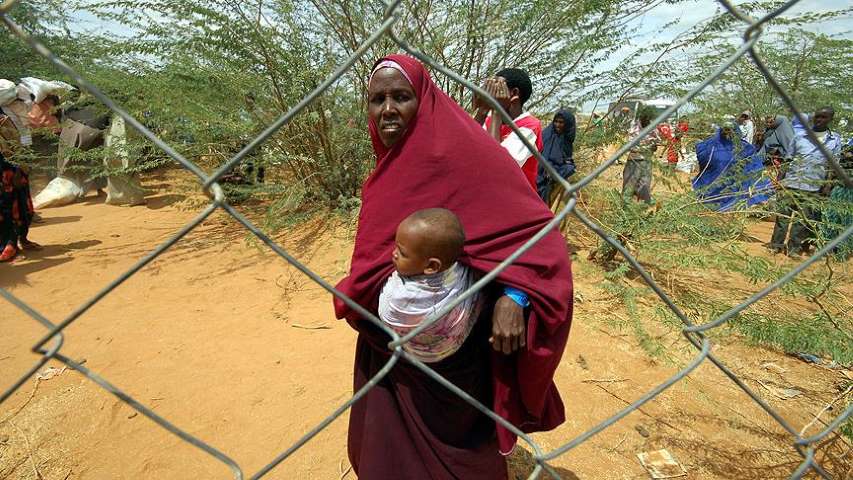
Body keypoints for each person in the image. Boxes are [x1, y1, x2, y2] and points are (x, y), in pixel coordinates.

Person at [335, 54, 572, 479]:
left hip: (462, 353)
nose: (387, 109)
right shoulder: (386, 173)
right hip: (391, 349)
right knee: (392, 450)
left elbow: (538, 239)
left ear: (423, 98)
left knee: (461, 456)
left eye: (401, 97)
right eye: (377, 100)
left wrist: (514, 296)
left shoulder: (471, 157)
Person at [379, 208, 482, 363]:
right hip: (457, 346)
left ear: (432, 266)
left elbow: (385, 313)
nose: (393, 253)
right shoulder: (464, 272)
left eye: (402, 253)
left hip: (417, 356)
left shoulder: (398, 297)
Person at [769, 107, 843, 256]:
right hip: (791, 182)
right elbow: (787, 160)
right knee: (783, 217)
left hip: (813, 186)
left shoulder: (835, 140)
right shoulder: (800, 136)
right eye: (817, 117)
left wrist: (827, 187)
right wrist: (780, 181)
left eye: (823, 117)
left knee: (802, 221)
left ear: (830, 119)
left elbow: (833, 167)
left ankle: (793, 249)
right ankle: (776, 245)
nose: (819, 120)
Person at [473, 68, 542, 190]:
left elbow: (496, 165)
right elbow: (465, 147)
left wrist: (496, 110)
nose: (489, 93)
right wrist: (482, 111)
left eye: (496, 89)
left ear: (514, 93)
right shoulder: (489, 120)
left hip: (515, 199)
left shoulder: (530, 127)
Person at [693, 122, 771, 211]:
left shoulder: (745, 148)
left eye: (730, 130)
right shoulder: (712, 146)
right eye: (726, 130)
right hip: (719, 190)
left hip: (724, 190)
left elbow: (754, 168)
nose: (728, 133)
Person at [817, 138, 853, 260]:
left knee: (847, 222)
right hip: (838, 188)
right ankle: (825, 249)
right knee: (831, 218)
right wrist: (827, 186)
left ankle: (842, 253)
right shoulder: (847, 145)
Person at [536, 108, 576, 203]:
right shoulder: (547, 135)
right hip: (541, 173)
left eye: (561, 122)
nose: (557, 125)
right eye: (556, 121)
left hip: (555, 172)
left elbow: (565, 156)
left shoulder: (566, 139)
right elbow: (544, 155)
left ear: (567, 124)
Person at [622, 107, 659, 204]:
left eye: (650, 119)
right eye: (646, 118)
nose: (648, 121)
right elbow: (630, 145)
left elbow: (656, 142)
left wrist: (654, 147)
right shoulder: (633, 127)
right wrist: (646, 148)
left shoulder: (652, 127)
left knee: (644, 186)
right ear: (641, 117)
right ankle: (624, 209)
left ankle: (644, 208)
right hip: (634, 161)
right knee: (629, 186)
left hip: (646, 162)